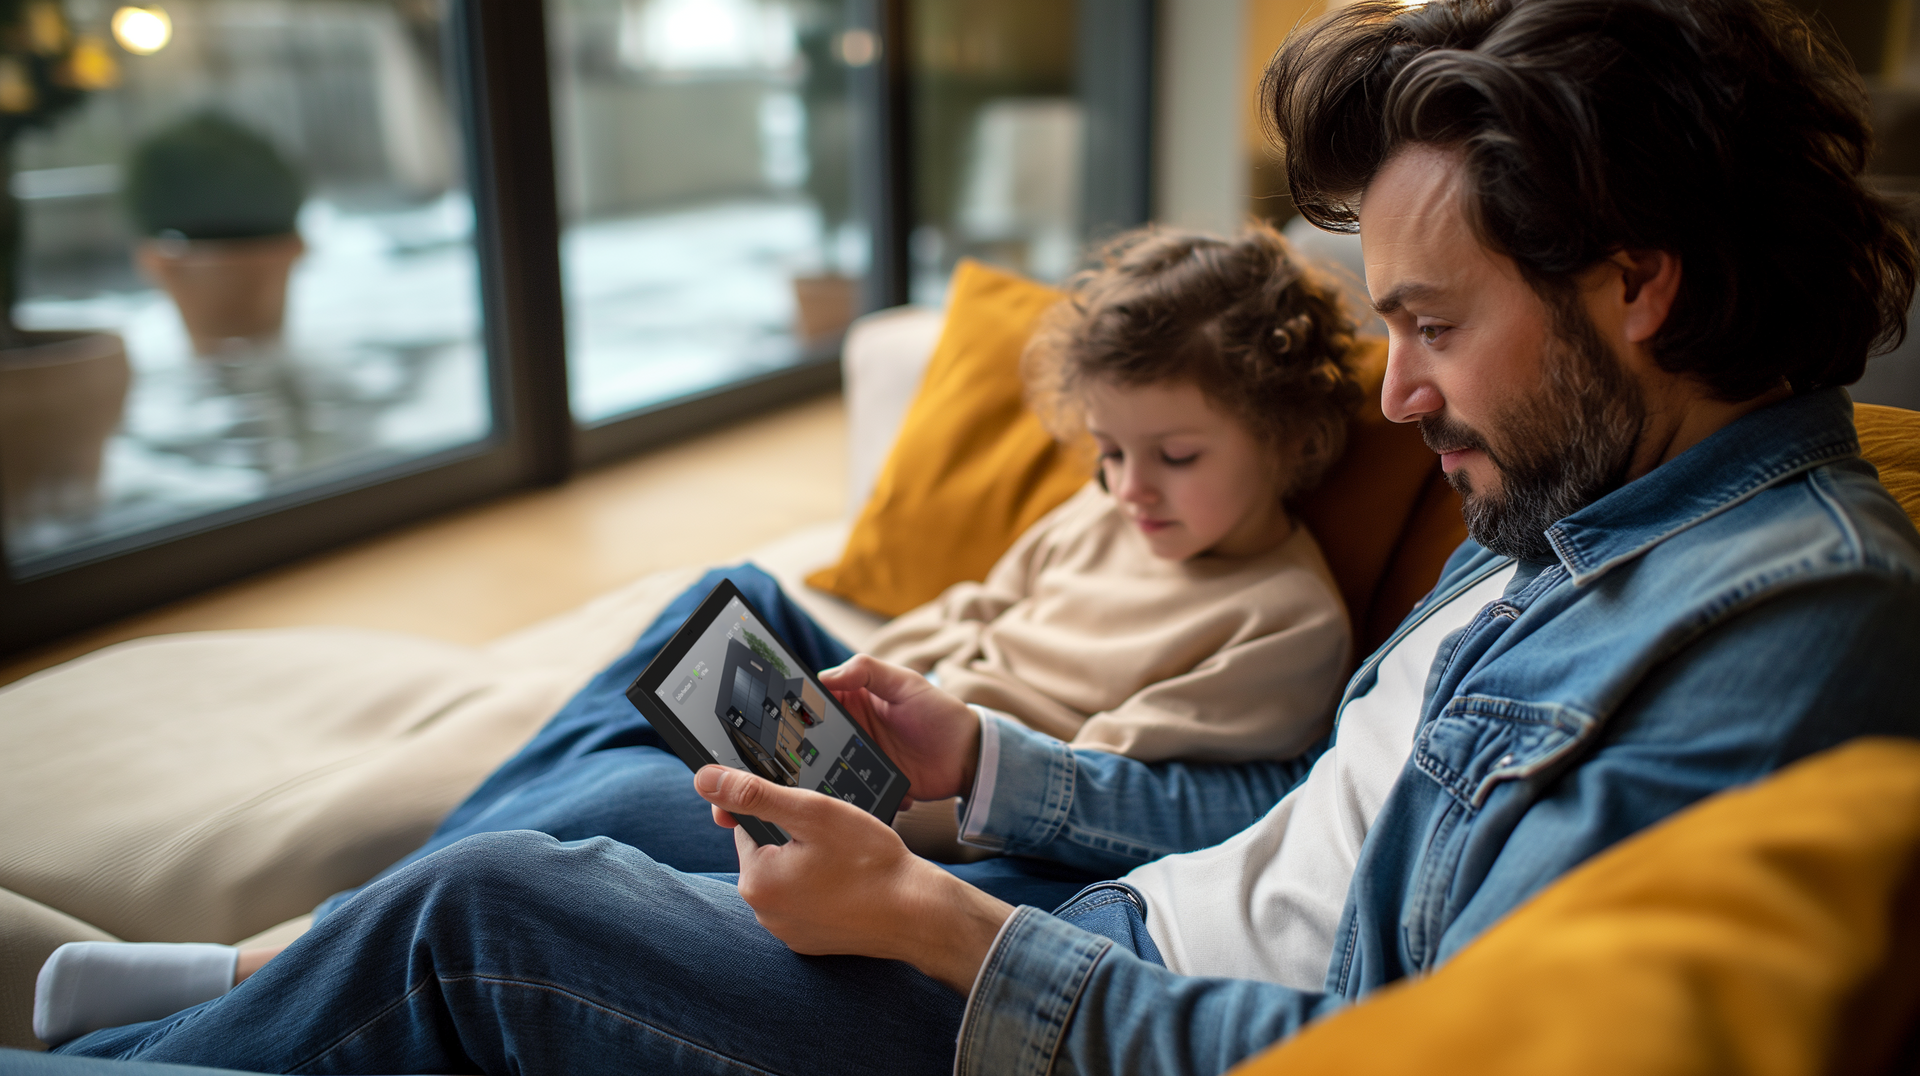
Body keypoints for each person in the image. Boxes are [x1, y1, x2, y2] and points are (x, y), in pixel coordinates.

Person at [38, 0, 1920, 1071]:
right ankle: (273, 987)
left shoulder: (1780, 635)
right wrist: (990, 770)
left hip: (1075, 1034)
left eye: (1433, 326)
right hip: (1087, 933)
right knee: (643, 769)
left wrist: (940, 925)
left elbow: (1376, 1043)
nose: (1402, 401)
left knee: (495, 910)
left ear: (1643, 288)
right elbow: (1287, 845)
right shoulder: (1576, 500)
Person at [31, 224, 1364, 1045]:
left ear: (1289, 435)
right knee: (707, 612)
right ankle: (330, 934)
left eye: (1175, 457)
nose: (1132, 492)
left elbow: (1129, 808)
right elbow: (969, 617)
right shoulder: (1108, 515)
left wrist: (899, 795)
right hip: (887, 743)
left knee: (601, 805)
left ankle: (254, 973)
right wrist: (852, 689)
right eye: (1112, 451)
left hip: (969, 836)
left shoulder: (1281, 618)